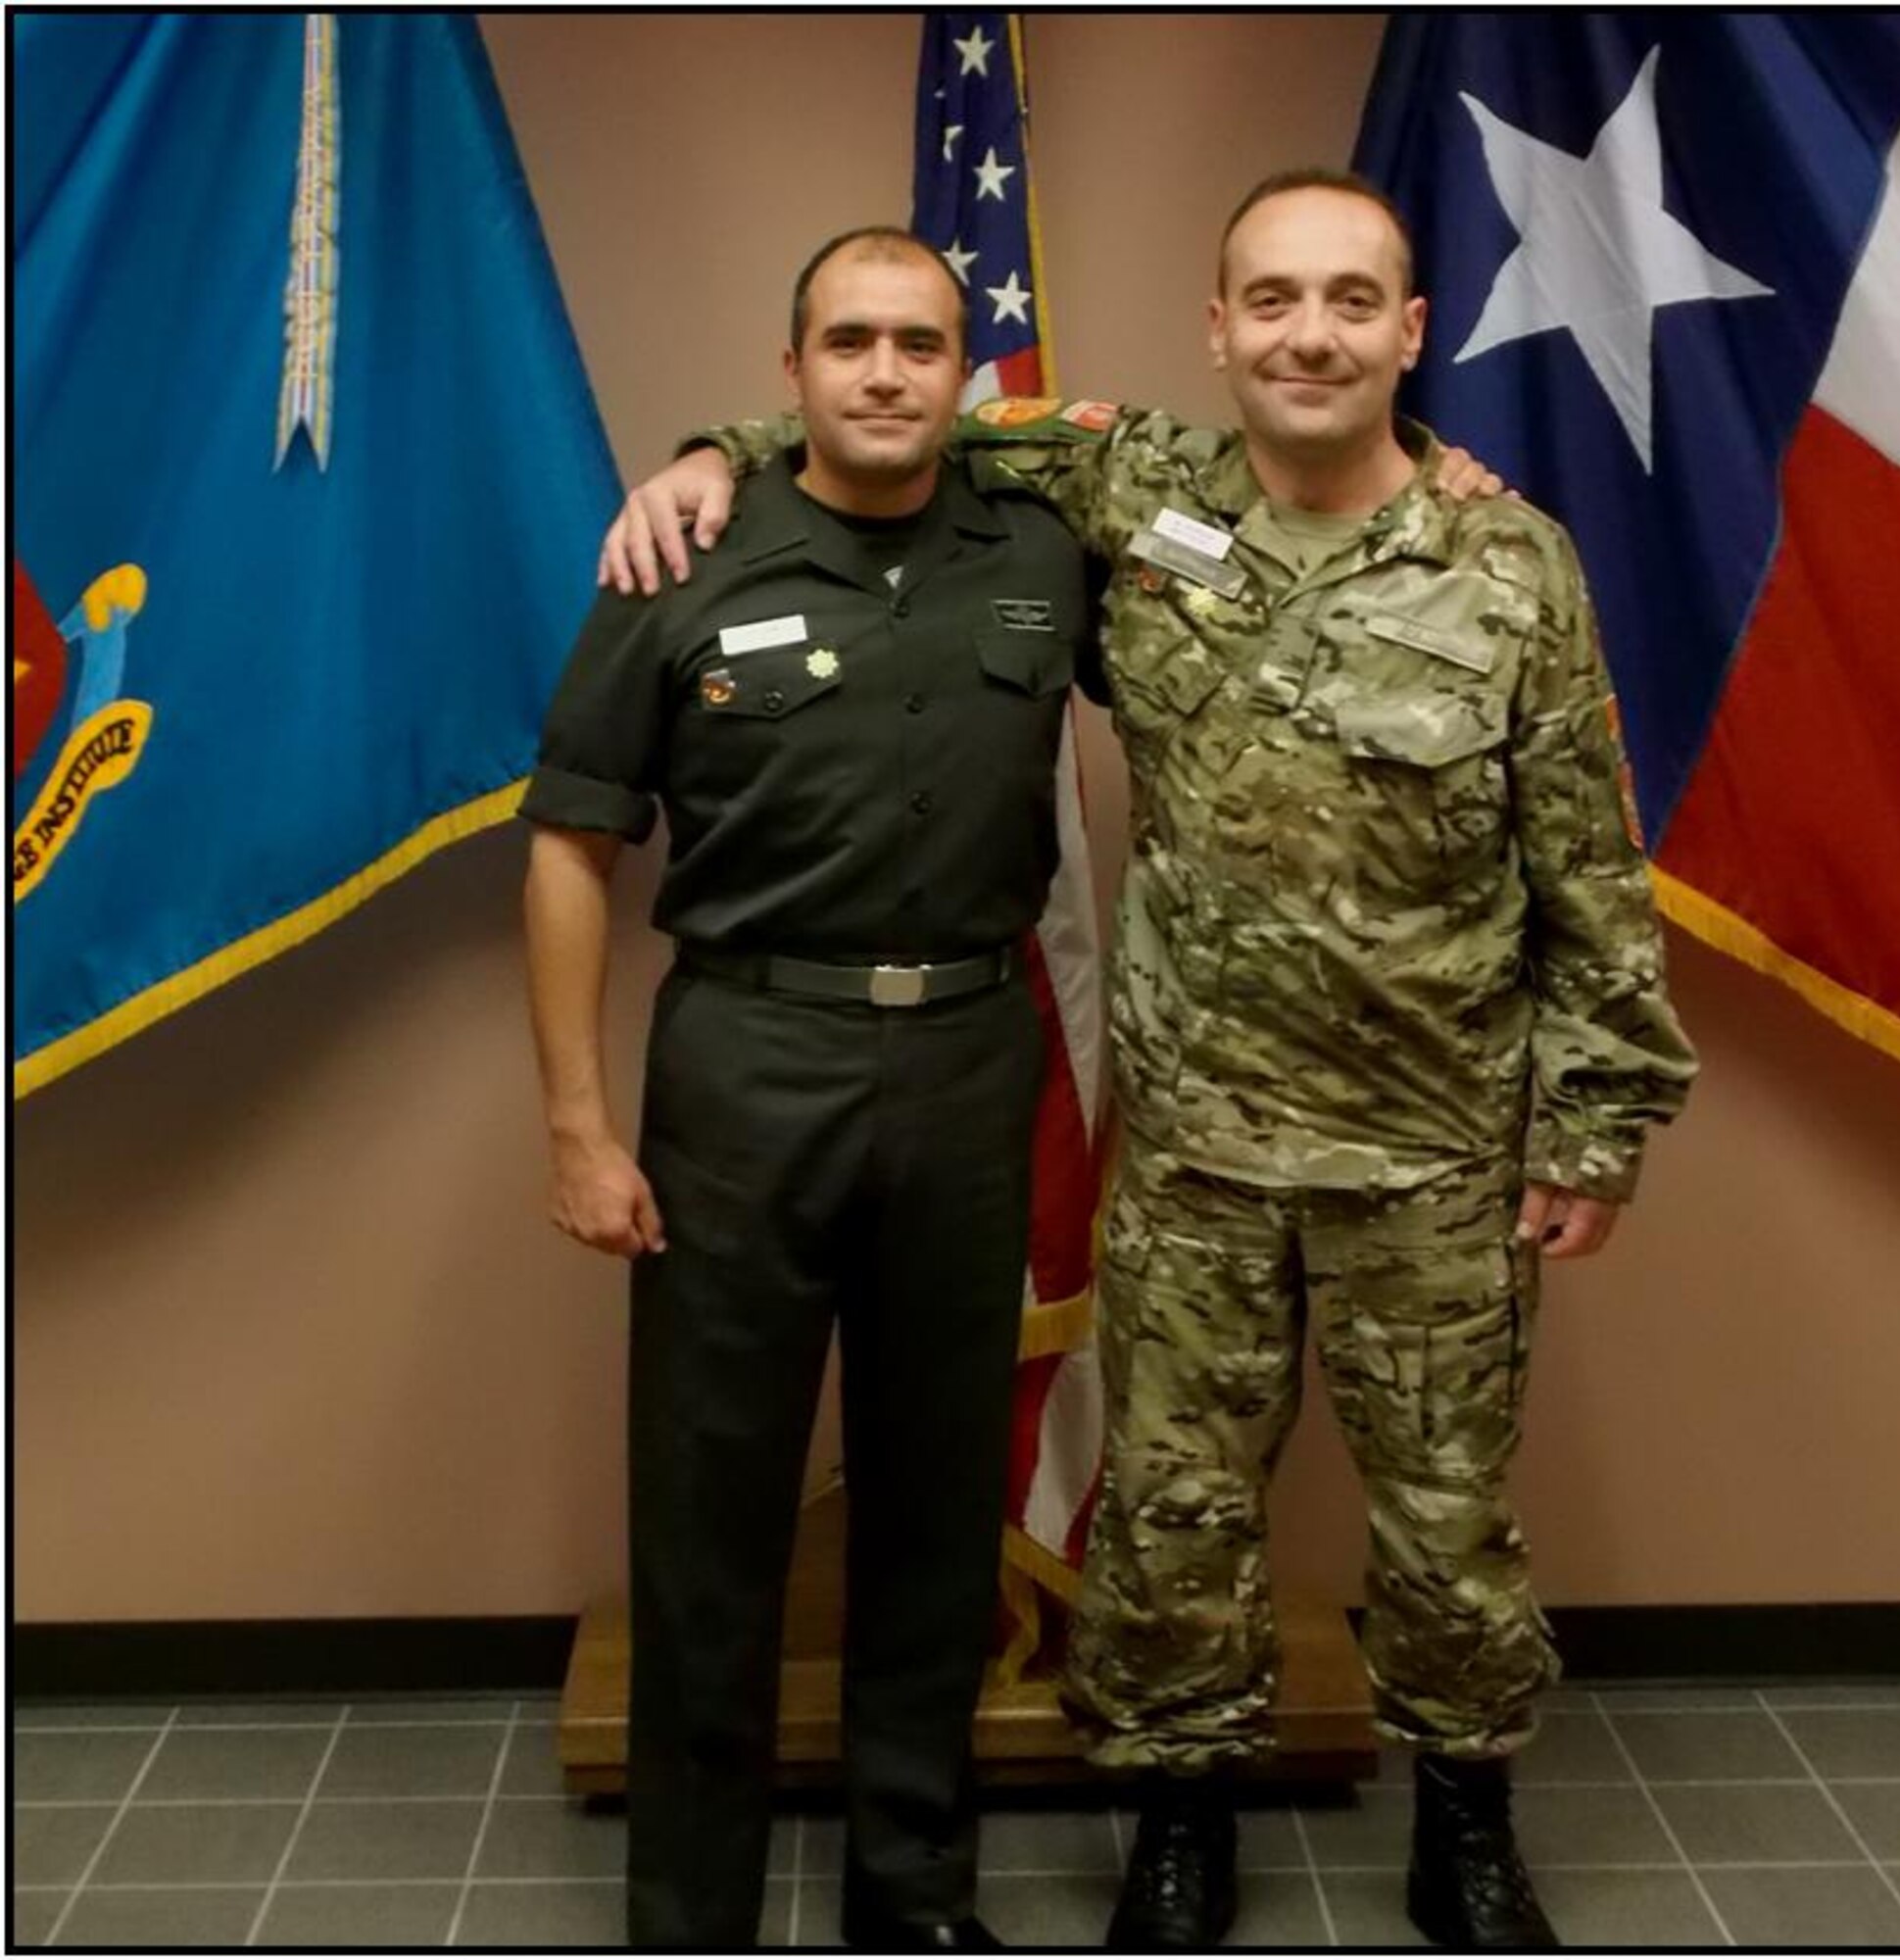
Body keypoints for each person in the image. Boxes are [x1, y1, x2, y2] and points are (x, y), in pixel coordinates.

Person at [598, 166, 1698, 1952]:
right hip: (1191, 1150)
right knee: (1177, 1520)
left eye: (1353, 302)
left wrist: (1596, 1120)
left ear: (1410, 333)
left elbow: (1587, 864)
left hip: (1437, 1153)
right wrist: (707, 451)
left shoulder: (1512, 564)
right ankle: (1180, 1824)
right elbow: (885, 420)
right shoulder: (1136, 487)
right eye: (1273, 299)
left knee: (1447, 1527)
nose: (1310, 334)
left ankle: (1468, 1832)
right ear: (1218, 326)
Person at [521, 225, 1103, 1951]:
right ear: (788, 375)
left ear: (958, 371)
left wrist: (1433, 458)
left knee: (934, 1504)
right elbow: (568, 846)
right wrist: (576, 1123)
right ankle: (693, 1909)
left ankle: (911, 1893)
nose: (883, 371)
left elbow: (1252, 498)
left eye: (921, 343)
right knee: (713, 1510)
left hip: (966, 1062)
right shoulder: (678, 555)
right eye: (846, 340)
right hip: (745, 1067)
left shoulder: (1045, 549)